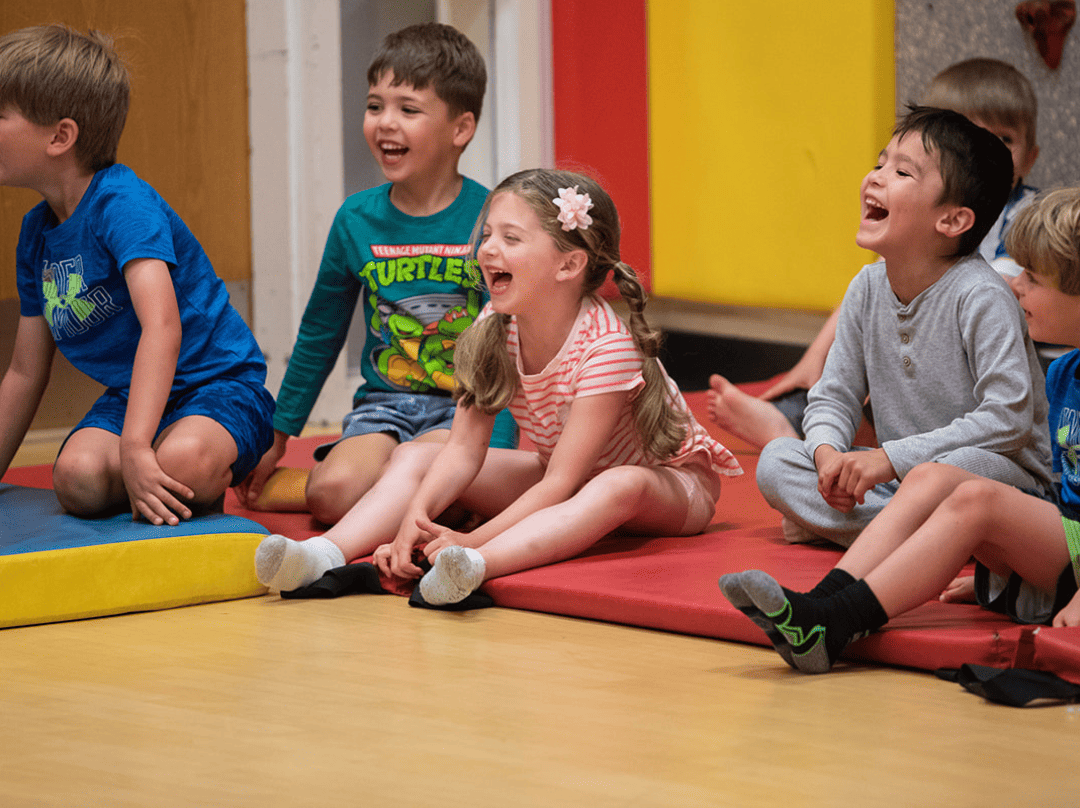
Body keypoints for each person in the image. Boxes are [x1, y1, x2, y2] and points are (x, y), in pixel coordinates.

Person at [252, 169, 743, 601]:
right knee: (418, 455)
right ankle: (322, 553)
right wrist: (414, 522)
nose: (487, 249)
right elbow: (464, 450)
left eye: (510, 238)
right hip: (567, 476)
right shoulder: (495, 323)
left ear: (568, 266)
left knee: (621, 483)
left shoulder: (607, 346)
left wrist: (474, 540)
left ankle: (476, 566)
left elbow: (561, 484)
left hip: (669, 491)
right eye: (487, 234)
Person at [718, 187, 1080, 673]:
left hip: (1066, 549)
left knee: (974, 498)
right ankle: (821, 605)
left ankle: (835, 621)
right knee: (929, 478)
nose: (1016, 286)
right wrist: (995, 566)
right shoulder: (1063, 374)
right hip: (1059, 543)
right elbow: (1062, 496)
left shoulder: (978, 297)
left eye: (1033, 278)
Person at [236, 23, 514, 522]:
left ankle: (406, 493)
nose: (385, 122)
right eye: (374, 106)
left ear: (461, 129)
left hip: (467, 410)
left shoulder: (493, 215)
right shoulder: (355, 220)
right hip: (384, 405)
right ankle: (357, 483)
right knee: (329, 497)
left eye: (408, 109)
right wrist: (275, 437)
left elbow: (524, 331)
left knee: (438, 487)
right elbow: (321, 333)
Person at [0, 25, 275, 525]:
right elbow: (24, 370)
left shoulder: (122, 204)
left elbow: (162, 327)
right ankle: (156, 469)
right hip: (138, 395)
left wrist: (133, 446)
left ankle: (206, 465)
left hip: (218, 384)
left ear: (61, 136)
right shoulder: (35, 233)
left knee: (180, 463)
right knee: (76, 479)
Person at [750, 106, 1052, 546]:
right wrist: (827, 454)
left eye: (902, 173)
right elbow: (834, 395)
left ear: (951, 220)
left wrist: (889, 458)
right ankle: (928, 541)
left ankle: (867, 531)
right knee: (777, 461)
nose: (876, 177)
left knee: (947, 476)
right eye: (879, 163)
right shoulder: (866, 287)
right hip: (901, 480)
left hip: (997, 480)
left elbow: (1007, 419)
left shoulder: (981, 295)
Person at [708, 58, 1042, 448]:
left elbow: (1003, 291)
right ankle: (797, 428)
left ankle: (791, 432)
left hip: (977, 388)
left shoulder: (1020, 222)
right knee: (785, 462)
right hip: (914, 421)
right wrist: (813, 364)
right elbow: (873, 297)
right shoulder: (879, 275)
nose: (877, 176)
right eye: (880, 164)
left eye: (1003, 139)